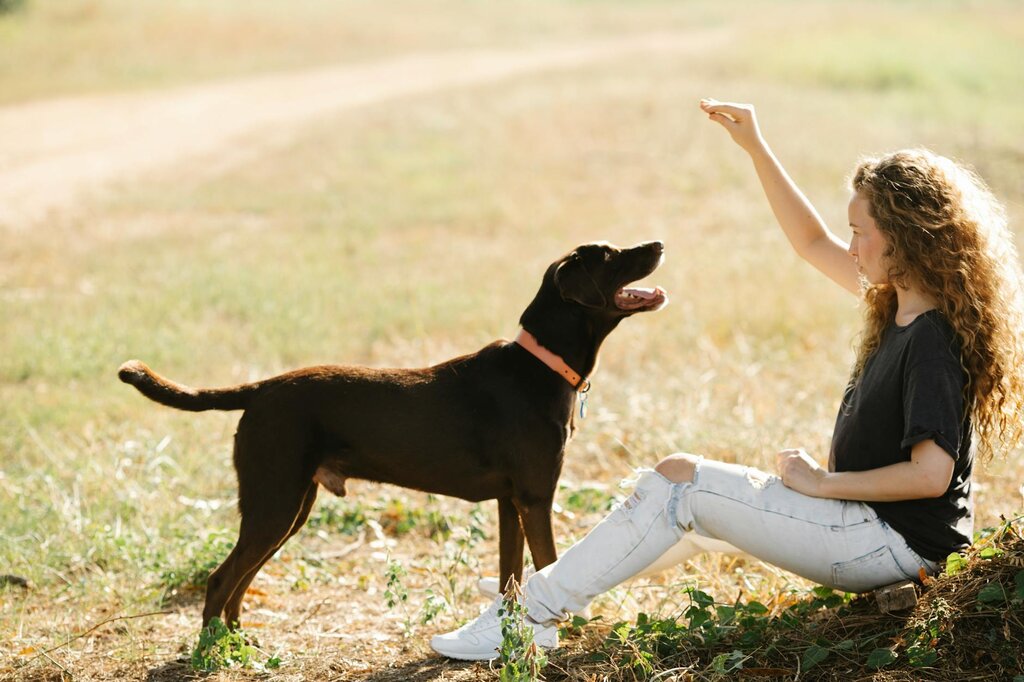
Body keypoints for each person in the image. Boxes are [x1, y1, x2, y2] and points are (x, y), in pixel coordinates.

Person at [430, 99, 1024, 660]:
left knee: (681, 482)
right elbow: (810, 241)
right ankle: (555, 591)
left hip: (891, 545)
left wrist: (818, 485)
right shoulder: (898, 298)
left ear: (909, 237)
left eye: (861, 232)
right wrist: (756, 147)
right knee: (677, 504)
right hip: (870, 529)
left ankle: (526, 618)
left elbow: (930, 475)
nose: (850, 244)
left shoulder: (933, 340)